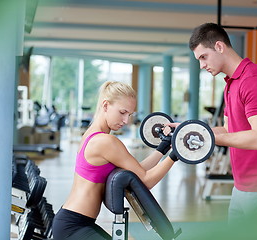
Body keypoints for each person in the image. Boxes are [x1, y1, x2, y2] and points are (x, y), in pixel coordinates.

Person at [179, 23, 257, 222]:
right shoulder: (232, 83)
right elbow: (230, 130)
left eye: (203, 57)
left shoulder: (253, 79)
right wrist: (186, 130)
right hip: (242, 187)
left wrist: (209, 137)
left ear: (219, 47)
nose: (201, 65)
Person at [52, 81, 178, 240]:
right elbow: (145, 181)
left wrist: (163, 149)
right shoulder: (105, 142)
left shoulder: (93, 135)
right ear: (105, 105)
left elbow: (137, 172)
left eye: (129, 114)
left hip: (76, 222)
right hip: (74, 227)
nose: (126, 120)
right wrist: (175, 155)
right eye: (122, 112)